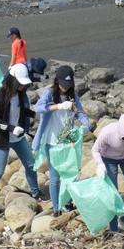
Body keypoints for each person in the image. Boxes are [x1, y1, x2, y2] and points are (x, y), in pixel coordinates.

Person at [0, 64, 41, 218]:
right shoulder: (0, 95)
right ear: (13, 80)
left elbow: (20, 110)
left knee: (30, 164)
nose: (23, 86)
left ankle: (35, 192)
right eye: (21, 83)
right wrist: (11, 128)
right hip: (2, 138)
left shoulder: (20, 94)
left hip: (18, 136)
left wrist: (33, 114)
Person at [31, 65, 89, 215]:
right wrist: (58, 106)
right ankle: (56, 207)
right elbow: (38, 108)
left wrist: (86, 123)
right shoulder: (49, 93)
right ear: (57, 81)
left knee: (69, 172)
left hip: (67, 139)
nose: (65, 87)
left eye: (68, 84)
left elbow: (80, 113)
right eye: (63, 84)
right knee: (55, 176)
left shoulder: (73, 95)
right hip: (52, 141)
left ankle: (68, 202)